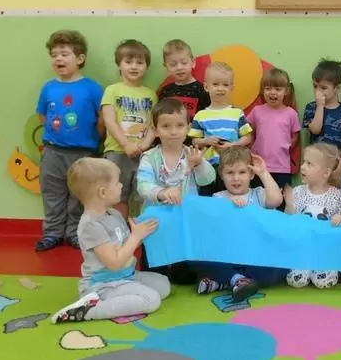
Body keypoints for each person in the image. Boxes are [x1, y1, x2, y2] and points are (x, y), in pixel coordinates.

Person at [50, 158, 170, 323]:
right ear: (103, 192)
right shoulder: (90, 225)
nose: (121, 186)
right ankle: (90, 310)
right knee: (152, 299)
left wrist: (144, 233)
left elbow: (126, 246)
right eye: (117, 182)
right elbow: (114, 262)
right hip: (103, 284)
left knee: (164, 285)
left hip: (125, 276)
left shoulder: (114, 214)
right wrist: (135, 236)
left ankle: (122, 296)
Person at [35, 30, 104, 252]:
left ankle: (75, 233)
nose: (58, 59)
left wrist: (95, 141)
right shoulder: (49, 87)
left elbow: (102, 118)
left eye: (64, 54)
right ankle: (52, 233)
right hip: (53, 151)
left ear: (80, 58)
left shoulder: (92, 88)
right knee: (52, 193)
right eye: (54, 55)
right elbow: (42, 115)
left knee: (78, 196)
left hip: (83, 152)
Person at [190, 146, 287, 302]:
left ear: (251, 174)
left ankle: (225, 281)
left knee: (280, 266)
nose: (236, 178)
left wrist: (263, 172)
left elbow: (277, 200)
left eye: (242, 172)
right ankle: (236, 279)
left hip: (254, 258)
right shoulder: (217, 198)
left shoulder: (258, 194)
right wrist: (227, 208)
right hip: (227, 256)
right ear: (221, 175)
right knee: (195, 258)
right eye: (230, 173)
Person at [101, 39, 156, 219]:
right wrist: (125, 144)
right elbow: (109, 121)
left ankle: (141, 232)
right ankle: (120, 232)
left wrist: (144, 145)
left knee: (143, 198)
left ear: (147, 67)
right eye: (128, 61)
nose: (134, 66)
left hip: (143, 154)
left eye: (139, 62)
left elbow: (153, 125)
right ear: (119, 64)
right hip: (117, 152)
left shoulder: (151, 94)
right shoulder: (112, 90)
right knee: (118, 198)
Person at [285, 143, 341, 289]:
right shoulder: (297, 192)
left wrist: (340, 219)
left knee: (323, 282)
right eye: (303, 162)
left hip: (326, 251)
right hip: (302, 249)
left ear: (325, 173)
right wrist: (289, 205)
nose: (302, 167)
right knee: (296, 281)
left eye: (309, 164)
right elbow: (288, 221)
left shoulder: (338, 196)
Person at [136, 98, 216, 207]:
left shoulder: (193, 154)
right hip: (157, 215)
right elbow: (143, 186)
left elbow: (207, 180)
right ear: (155, 130)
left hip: (186, 212)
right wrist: (162, 193)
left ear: (188, 128)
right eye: (166, 126)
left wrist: (199, 164)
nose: (173, 132)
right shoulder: (149, 157)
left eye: (180, 125)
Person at [189, 62, 253, 193]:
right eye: (215, 84)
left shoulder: (237, 113)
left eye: (225, 85)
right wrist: (206, 141)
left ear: (232, 88)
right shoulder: (200, 115)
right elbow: (195, 141)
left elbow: (247, 138)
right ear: (206, 87)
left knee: (232, 197)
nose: (220, 88)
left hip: (233, 167)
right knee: (208, 198)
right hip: (208, 166)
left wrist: (233, 145)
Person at [247, 68, 300, 201]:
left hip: (282, 168)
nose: (272, 92)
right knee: (259, 200)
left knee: (279, 201)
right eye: (268, 88)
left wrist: (285, 147)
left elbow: (295, 136)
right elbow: (249, 131)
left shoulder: (291, 114)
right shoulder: (257, 111)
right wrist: (253, 147)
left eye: (277, 89)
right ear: (263, 90)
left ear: (286, 91)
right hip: (258, 166)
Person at [303, 59, 341, 185]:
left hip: (336, 165)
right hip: (315, 164)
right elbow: (315, 129)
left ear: (337, 88)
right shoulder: (311, 108)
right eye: (315, 86)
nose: (318, 91)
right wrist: (320, 106)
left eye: (323, 88)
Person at [157, 39, 210, 123]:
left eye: (184, 63)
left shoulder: (202, 90)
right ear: (166, 67)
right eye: (173, 64)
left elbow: (208, 117)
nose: (179, 67)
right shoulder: (165, 92)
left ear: (193, 63)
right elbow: (159, 118)